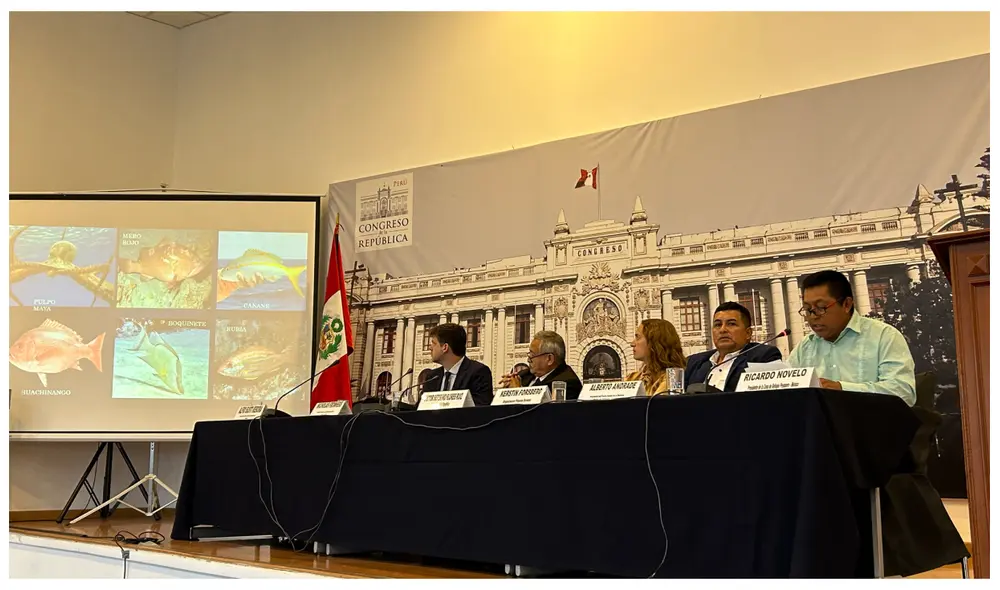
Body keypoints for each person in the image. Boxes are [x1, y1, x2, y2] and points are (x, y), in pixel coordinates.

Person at [788, 270, 916, 405]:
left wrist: (842, 389)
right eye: (807, 309)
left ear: (846, 304)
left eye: (820, 307)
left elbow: (903, 393)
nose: (813, 316)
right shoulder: (805, 347)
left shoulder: (884, 336)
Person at [685, 301, 783, 392]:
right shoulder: (694, 362)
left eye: (731, 324)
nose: (722, 330)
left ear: (748, 333)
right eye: (718, 325)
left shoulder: (762, 356)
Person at [420, 323, 494, 406]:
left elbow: (480, 408)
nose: (430, 348)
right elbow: (419, 408)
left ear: (445, 347)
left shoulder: (478, 372)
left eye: (433, 343)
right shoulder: (432, 377)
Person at [499, 330, 583, 400]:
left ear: (549, 359)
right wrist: (506, 390)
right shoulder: (525, 375)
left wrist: (516, 393)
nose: (528, 359)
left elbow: (541, 415)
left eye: (532, 355)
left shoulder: (567, 384)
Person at [626, 318, 687, 395]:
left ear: (653, 342)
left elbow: (660, 405)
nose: (632, 343)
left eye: (637, 337)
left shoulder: (674, 378)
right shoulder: (632, 378)